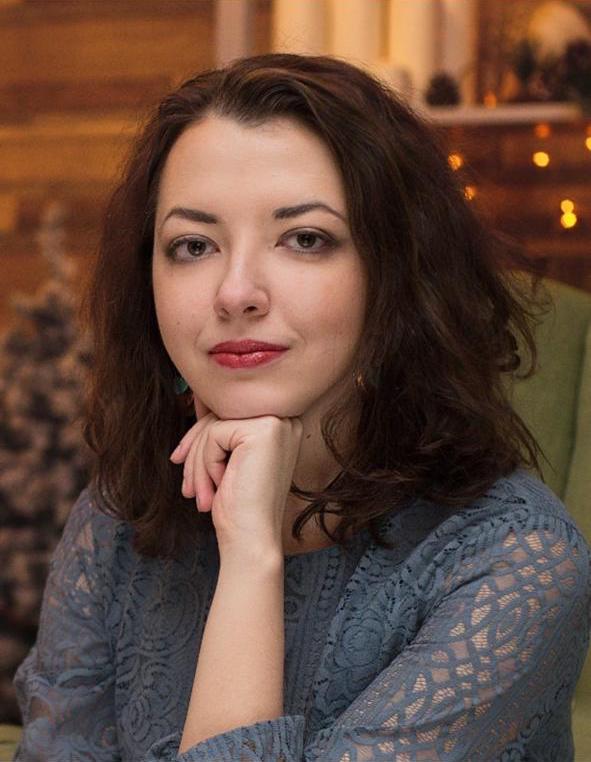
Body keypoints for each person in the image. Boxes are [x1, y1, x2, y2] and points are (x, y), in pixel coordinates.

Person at [12, 53, 591, 761]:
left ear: (396, 276)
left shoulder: (515, 561)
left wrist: (250, 559)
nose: (236, 292)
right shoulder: (117, 521)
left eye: (305, 239)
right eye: (193, 245)